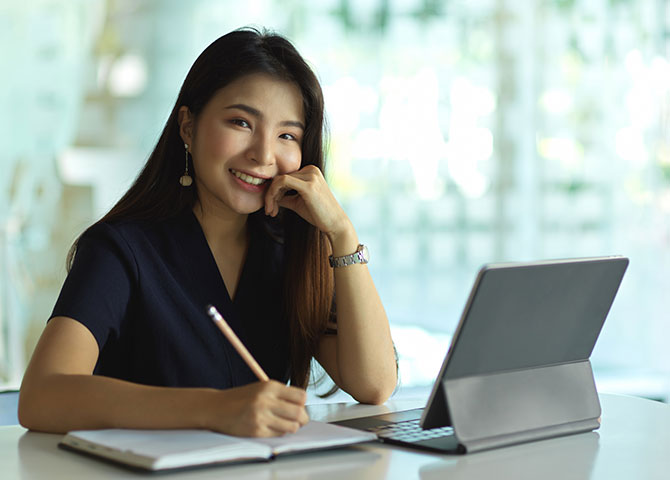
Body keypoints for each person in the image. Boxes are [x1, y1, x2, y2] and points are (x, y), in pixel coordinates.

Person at [18, 27, 397, 437]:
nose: (264, 155)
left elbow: (374, 385)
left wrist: (341, 233)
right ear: (188, 126)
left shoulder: (287, 252)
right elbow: (42, 397)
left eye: (287, 135)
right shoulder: (121, 249)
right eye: (241, 122)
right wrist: (214, 408)